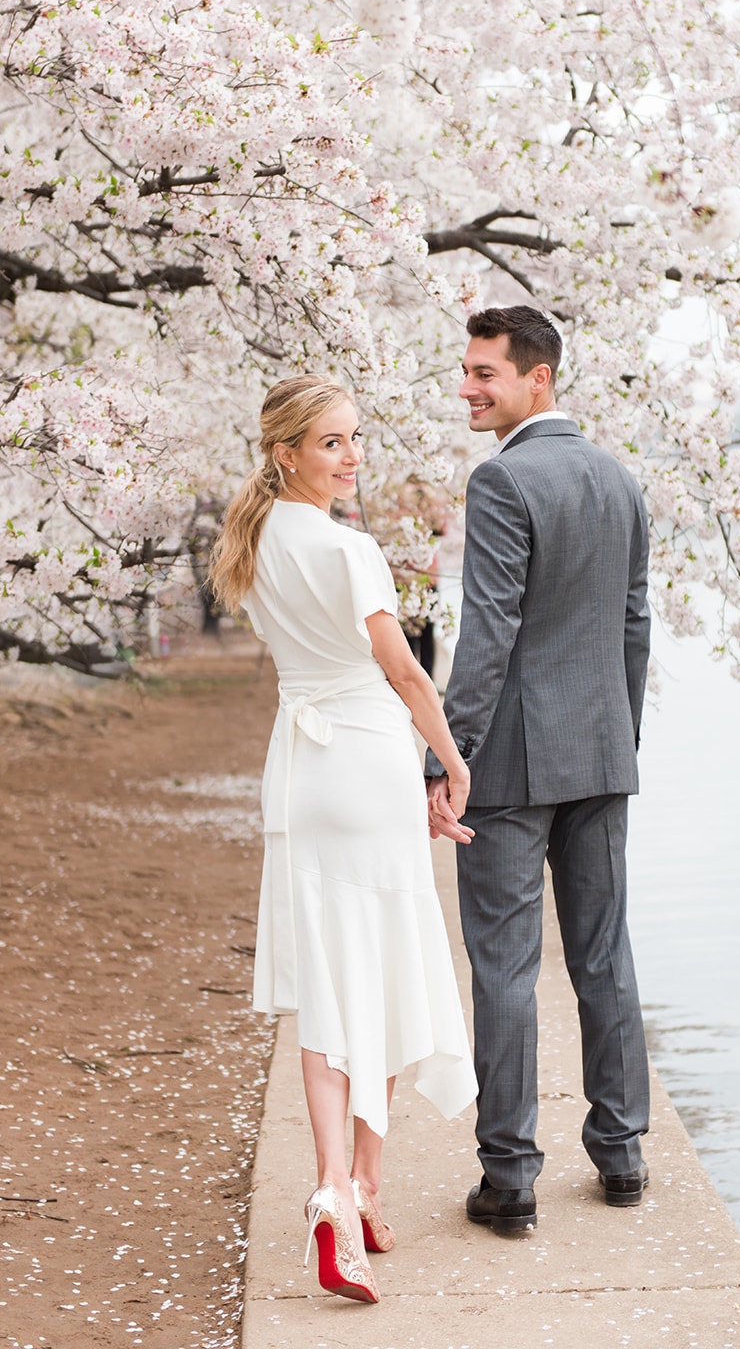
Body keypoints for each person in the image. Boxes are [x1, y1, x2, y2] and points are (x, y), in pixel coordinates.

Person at [210, 375, 476, 1304]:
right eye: (332, 443)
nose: (352, 455)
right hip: (364, 760)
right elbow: (402, 670)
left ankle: (341, 1190)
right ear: (287, 452)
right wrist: (447, 762)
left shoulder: (252, 544)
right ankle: (357, 1182)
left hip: (300, 773)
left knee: (330, 984)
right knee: (390, 970)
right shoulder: (348, 547)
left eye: (355, 438)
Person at [425, 305, 652, 1234]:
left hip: (512, 769)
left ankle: (510, 1180)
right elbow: (634, 625)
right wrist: (618, 735)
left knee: (506, 971)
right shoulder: (619, 479)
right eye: (469, 371)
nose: (469, 388)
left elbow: (487, 638)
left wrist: (445, 756)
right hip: (601, 755)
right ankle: (624, 1157)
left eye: (486, 373)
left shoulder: (504, 482)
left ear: (538, 377)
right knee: (603, 955)